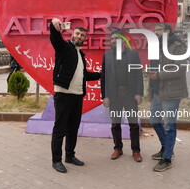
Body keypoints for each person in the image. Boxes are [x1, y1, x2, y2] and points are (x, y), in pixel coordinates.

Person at [49, 18, 101, 173]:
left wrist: (101, 75)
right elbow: (55, 37)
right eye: (77, 34)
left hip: (78, 96)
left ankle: (70, 156)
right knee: (60, 129)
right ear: (72, 34)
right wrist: (54, 23)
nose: (79, 37)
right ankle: (56, 160)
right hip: (63, 95)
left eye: (82, 35)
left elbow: (84, 75)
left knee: (73, 128)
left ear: (85, 39)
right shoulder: (64, 47)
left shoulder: (80, 55)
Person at [148, 22, 188, 172]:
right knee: (154, 121)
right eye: (155, 29)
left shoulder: (177, 46)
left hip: (172, 92)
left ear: (168, 31)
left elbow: (181, 68)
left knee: (169, 125)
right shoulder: (156, 46)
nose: (156, 32)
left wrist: (159, 75)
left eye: (160, 30)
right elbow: (153, 67)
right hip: (158, 90)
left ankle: (167, 158)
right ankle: (167, 148)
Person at [101, 29, 144, 162]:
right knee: (115, 124)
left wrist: (139, 93)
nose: (114, 41)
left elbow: (138, 75)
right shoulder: (107, 56)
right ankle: (117, 148)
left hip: (130, 94)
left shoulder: (133, 54)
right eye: (112, 39)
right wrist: (105, 96)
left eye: (117, 38)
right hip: (114, 95)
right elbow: (104, 77)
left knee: (133, 124)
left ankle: (136, 151)